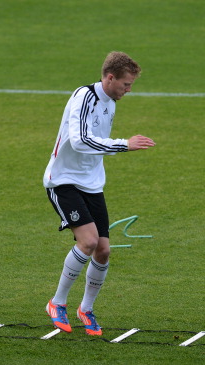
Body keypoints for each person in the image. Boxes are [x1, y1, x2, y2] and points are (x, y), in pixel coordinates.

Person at [43, 51, 155, 336]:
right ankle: (57, 303)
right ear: (110, 77)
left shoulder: (110, 101)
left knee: (103, 250)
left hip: (92, 183)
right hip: (63, 180)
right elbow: (80, 141)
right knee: (89, 241)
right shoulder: (84, 97)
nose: (128, 90)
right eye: (126, 85)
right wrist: (123, 145)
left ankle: (86, 309)